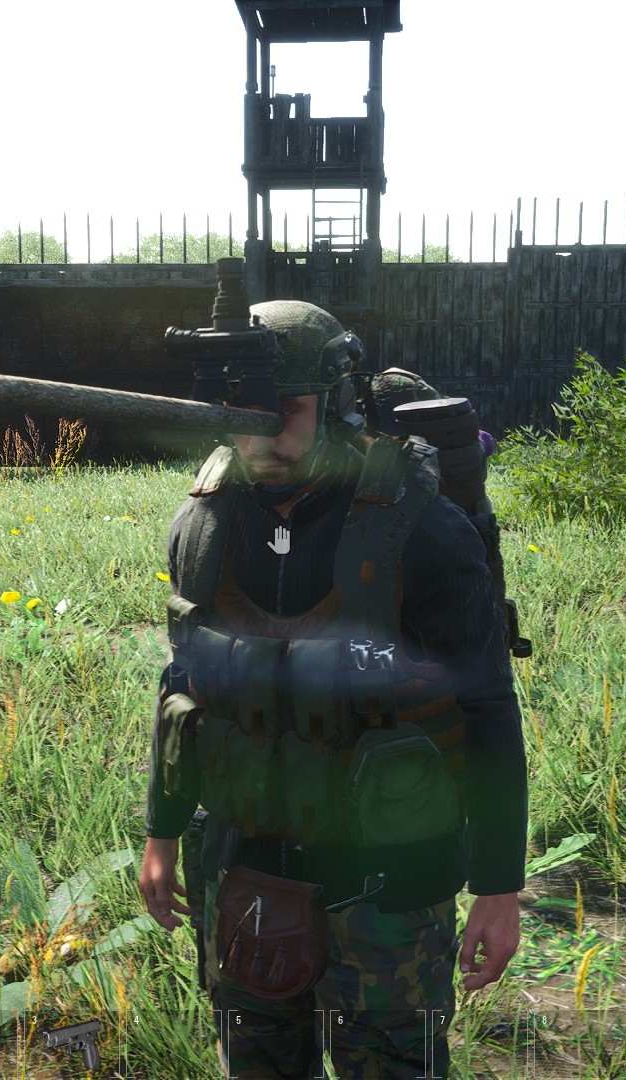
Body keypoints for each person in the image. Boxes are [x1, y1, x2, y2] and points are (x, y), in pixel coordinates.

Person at [138, 299, 527, 1078]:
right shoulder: (203, 527)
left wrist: (497, 887)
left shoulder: (420, 529)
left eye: (282, 410)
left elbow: (486, 706)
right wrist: (163, 834)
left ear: (338, 402)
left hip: (387, 886)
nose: (259, 436)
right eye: (238, 414)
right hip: (243, 868)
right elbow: (185, 686)